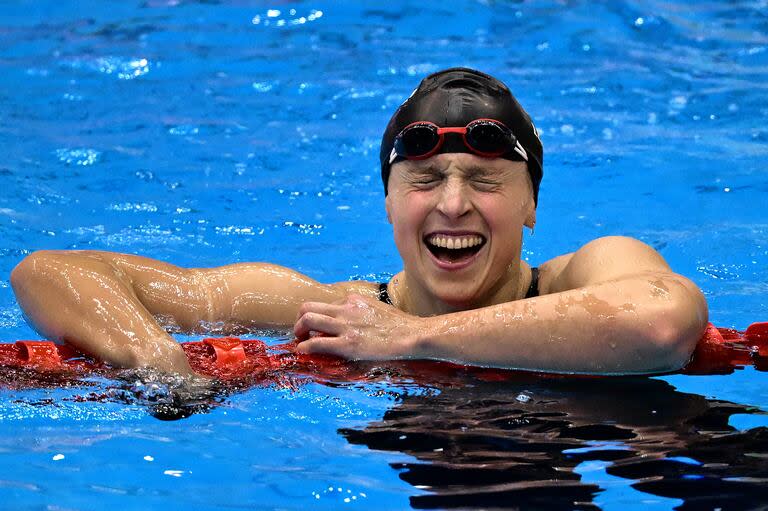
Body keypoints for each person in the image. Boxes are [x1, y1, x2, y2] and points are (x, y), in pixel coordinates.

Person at [9, 68, 708, 376]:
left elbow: (658, 322)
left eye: (486, 182)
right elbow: (49, 272)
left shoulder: (587, 271)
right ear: (388, 203)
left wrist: (413, 337)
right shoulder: (332, 309)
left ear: (531, 204)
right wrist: (155, 357)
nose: (454, 204)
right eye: (426, 179)